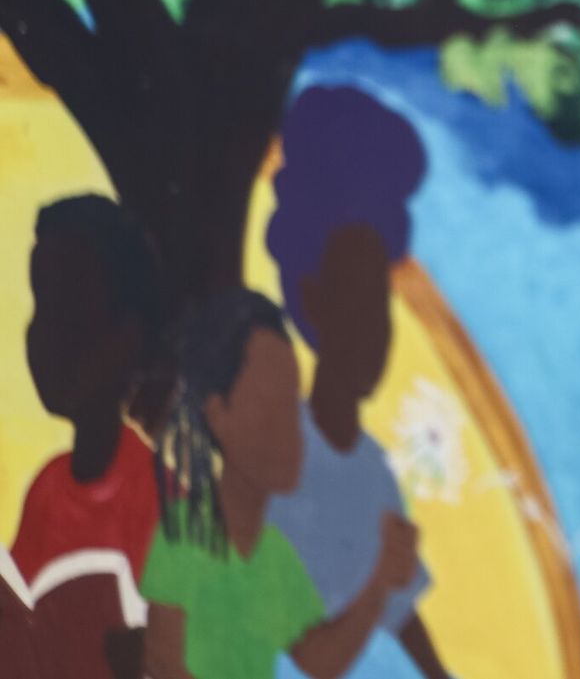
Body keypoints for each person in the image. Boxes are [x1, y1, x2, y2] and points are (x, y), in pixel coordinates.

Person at [265, 84, 448, 678]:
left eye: (384, 308)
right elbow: (311, 656)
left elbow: (403, 612)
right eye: (360, 304)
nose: (378, 333)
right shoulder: (276, 460)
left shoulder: (370, 468)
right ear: (313, 302)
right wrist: (379, 582)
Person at [141, 287, 418, 679]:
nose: (289, 432)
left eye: (291, 406)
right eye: (267, 407)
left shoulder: (275, 558)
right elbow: (163, 660)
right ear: (218, 414)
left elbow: (317, 660)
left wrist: (379, 585)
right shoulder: (185, 534)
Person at [15, 194, 166, 679]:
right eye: (41, 309)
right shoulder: (48, 489)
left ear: (129, 338)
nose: (44, 338)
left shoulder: (157, 500)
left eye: (69, 314)